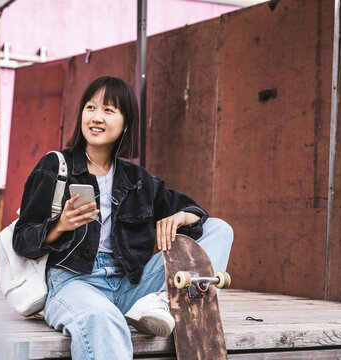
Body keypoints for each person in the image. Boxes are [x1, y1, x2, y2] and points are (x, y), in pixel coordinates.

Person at [13, 76, 233, 359]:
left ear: (125, 123)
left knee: (219, 228)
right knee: (103, 319)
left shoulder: (137, 179)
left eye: (108, 110)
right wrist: (59, 226)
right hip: (74, 283)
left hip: (132, 286)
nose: (96, 117)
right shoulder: (55, 165)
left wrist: (181, 216)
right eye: (90, 108)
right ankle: (159, 304)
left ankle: (163, 302)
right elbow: (22, 239)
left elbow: (195, 211)